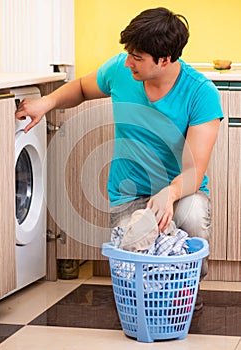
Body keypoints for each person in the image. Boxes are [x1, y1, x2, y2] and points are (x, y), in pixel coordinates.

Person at [15, 7, 224, 309]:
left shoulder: (200, 93)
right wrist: (46, 102)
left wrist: (170, 192)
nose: (128, 63)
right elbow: (81, 88)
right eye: (128, 54)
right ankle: (144, 300)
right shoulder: (121, 71)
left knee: (192, 215)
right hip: (129, 195)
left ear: (165, 59)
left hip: (180, 192)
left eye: (137, 57)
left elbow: (194, 170)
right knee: (132, 268)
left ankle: (187, 291)